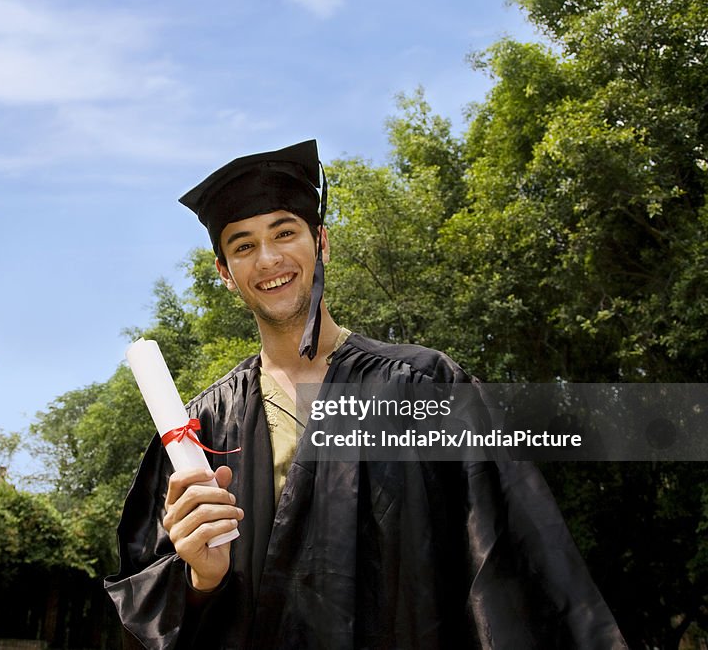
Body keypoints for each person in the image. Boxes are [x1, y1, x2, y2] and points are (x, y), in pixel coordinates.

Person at [105, 140, 626, 649]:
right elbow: (149, 612)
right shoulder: (200, 427)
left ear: (322, 243)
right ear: (225, 272)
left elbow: (510, 562)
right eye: (242, 245)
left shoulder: (424, 384)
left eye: (284, 232)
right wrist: (202, 581)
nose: (268, 259)